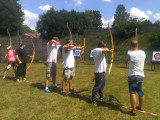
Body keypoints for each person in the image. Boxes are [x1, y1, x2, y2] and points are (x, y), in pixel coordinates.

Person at [125, 40, 146, 116]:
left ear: (131, 46)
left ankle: (133, 111)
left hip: (133, 76)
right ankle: (140, 107)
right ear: (138, 45)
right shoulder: (143, 53)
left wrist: (128, 57)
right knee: (140, 91)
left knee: (133, 92)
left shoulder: (130, 53)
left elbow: (126, 62)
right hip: (140, 76)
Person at [92, 41, 113, 107]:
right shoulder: (97, 50)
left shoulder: (100, 51)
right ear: (102, 46)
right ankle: (94, 100)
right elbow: (106, 50)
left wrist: (110, 51)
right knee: (97, 86)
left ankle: (101, 96)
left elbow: (105, 51)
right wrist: (109, 50)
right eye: (104, 46)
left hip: (102, 71)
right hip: (99, 71)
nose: (105, 47)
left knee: (102, 85)